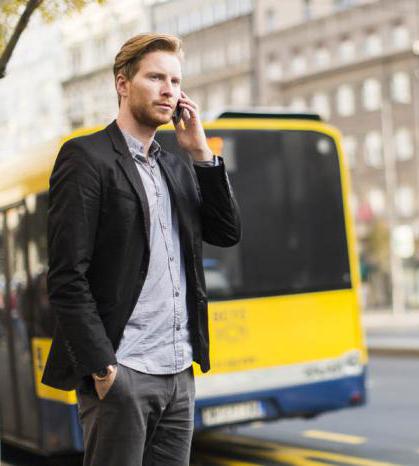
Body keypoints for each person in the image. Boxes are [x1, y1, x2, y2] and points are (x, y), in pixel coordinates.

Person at [40, 33, 241, 466]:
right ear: (122, 83)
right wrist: (105, 369)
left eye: (175, 80)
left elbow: (226, 232)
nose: (169, 89)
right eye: (155, 77)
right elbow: (66, 276)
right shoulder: (86, 157)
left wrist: (201, 152)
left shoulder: (176, 162)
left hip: (179, 372)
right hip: (123, 372)